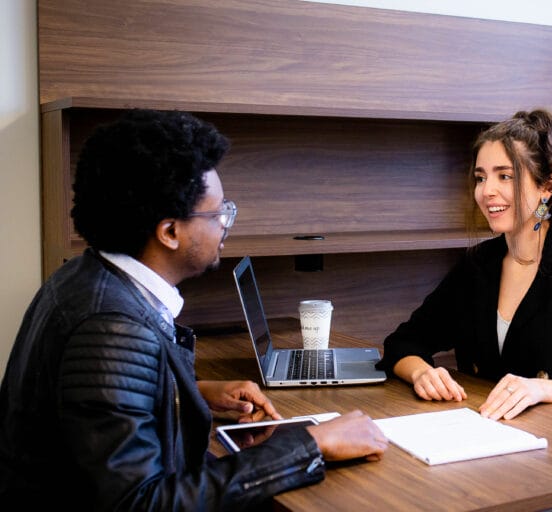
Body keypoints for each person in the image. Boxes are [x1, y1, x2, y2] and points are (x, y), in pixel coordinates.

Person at [0, 109, 387, 509]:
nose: (225, 224)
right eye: (219, 212)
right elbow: (144, 503)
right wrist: (311, 445)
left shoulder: (86, 276)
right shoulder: (111, 328)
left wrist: (188, 394)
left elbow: (95, 417)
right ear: (170, 232)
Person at [377, 109, 552, 422]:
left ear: (548, 186)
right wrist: (421, 373)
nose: (487, 191)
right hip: (487, 429)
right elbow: (403, 341)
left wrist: (541, 390)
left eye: (505, 176)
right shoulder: (477, 264)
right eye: (481, 177)